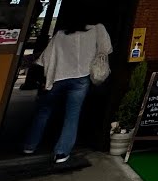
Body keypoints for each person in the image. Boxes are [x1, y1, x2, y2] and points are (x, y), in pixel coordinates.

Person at [22, 11, 112, 163]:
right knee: (72, 115)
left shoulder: (61, 34)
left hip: (57, 76)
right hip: (81, 78)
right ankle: (62, 153)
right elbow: (106, 49)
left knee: (44, 111)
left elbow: (45, 58)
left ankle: (29, 145)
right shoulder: (96, 29)